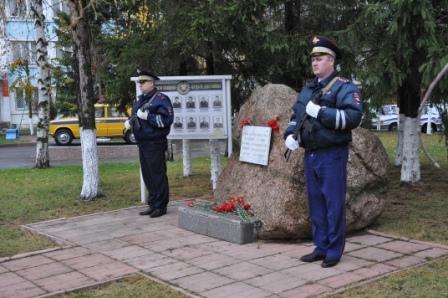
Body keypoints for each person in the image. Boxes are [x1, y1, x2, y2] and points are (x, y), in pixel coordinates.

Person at [283, 36, 363, 268]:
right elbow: (295, 116)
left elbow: (352, 117)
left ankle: (334, 250)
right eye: (313, 59)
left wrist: (321, 113)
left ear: (331, 61)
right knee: (316, 203)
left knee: (333, 203)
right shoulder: (308, 88)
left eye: (319, 59)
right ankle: (321, 246)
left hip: (332, 153)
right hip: (312, 154)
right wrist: (290, 135)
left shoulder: (345, 87)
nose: (314, 63)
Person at [125, 69, 174, 218]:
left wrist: (148, 116)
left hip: (155, 142)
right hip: (143, 143)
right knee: (148, 175)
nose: (140, 85)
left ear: (152, 83)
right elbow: (136, 115)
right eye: (139, 82)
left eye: (143, 82)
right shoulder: (141, 100)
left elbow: (167, 120)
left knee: (157, 175)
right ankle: (153, 204)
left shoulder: (161, 99)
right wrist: (130, 121)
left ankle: (161, 206)